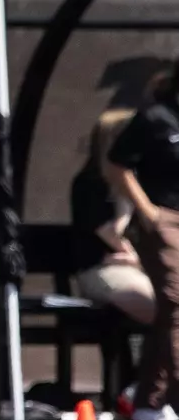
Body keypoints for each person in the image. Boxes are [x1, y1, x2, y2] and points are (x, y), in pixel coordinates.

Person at [106, 69, 179, 420]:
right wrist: (148, 212)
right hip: (165, 222)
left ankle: (149, 403)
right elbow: (118, 163)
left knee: (169, 316)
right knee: (175, 302)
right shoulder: (155, 117)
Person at [72, 109, 155, 328]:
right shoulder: (89, 185)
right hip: (102, 269)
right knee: (160, 306)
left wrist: (141, 260)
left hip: (142, 267)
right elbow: (111, 234)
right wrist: (125, 203)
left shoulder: (144, 182)